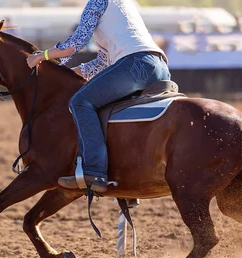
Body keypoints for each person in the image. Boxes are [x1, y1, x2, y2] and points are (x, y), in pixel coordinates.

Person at [26, 0, 170, 193]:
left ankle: (94, 171)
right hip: (159, 67)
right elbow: (102, 62)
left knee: (81, 102)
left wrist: (41, 56)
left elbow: (75, 43)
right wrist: (67, 76)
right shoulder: (123, 4)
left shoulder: (97, 2)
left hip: (134, 65)